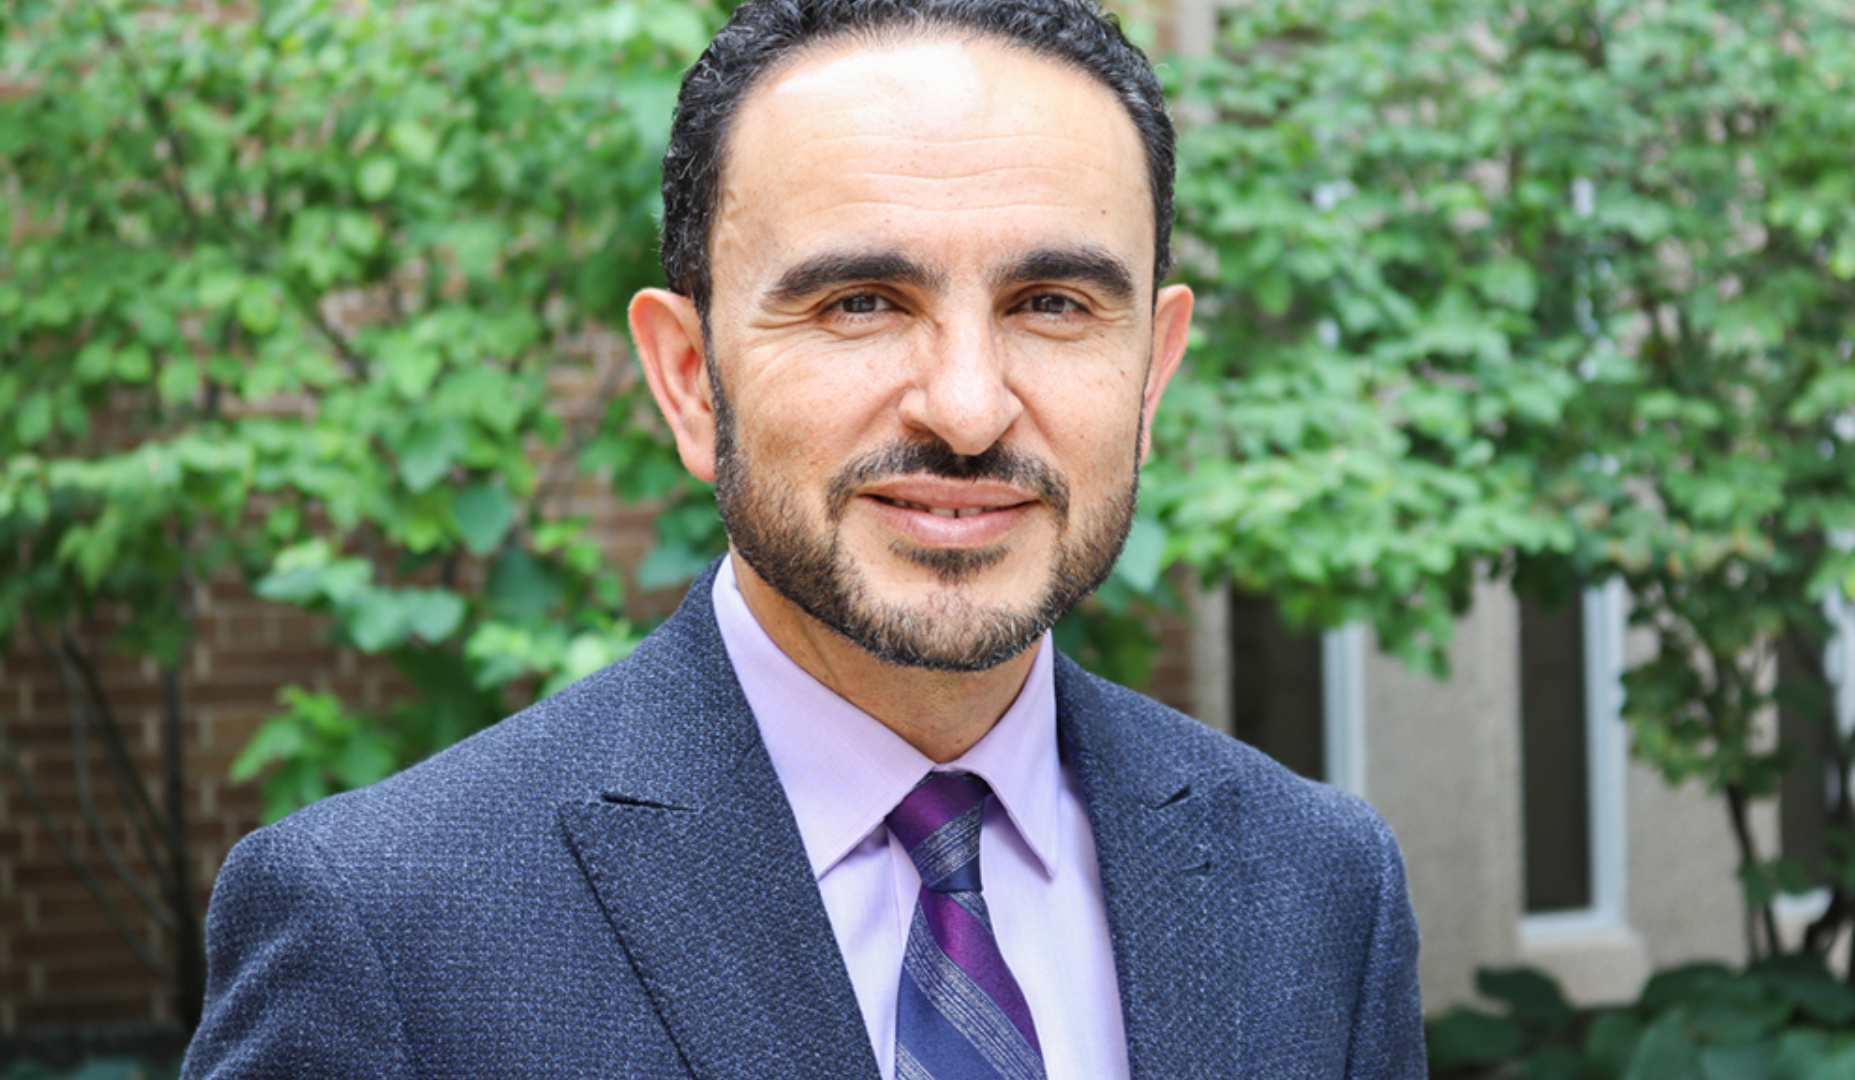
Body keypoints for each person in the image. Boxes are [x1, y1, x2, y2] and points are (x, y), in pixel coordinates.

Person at [183, 0, 1423, 1074]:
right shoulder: (388, 930)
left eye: (1052, 304)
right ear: (688, 379)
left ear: (1151, 370)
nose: (969, 407)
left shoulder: (1319, 891)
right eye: (861, 304)